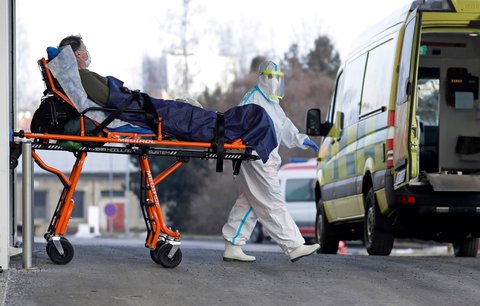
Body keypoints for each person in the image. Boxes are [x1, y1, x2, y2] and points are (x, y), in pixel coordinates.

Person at [50, 35, 277, 163]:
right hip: (140, 113)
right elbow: (112, 100)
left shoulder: (80, 77)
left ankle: (232, 123)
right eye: (85, 49)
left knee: (190, 113)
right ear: (78, 55)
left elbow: (112, 97)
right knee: (189, 116)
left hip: (142, 107)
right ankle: (238, 126)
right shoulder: (83, 77)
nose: (88, 52)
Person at [222, 60, 320, 263]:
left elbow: (284, 127)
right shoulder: (254, 99)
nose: (275, 82)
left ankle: (233, 244)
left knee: (249, 201)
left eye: (278, 78)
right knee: (272, 201)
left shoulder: (273, 104)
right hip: (258, 158)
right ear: (262, 78)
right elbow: (241, 125)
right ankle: (293, 245)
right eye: (271, 77)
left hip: (267, 159)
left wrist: (301, 139)